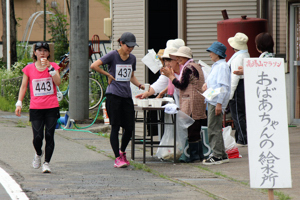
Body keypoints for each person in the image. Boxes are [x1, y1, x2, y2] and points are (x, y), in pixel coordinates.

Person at [90, 32, 144, 168]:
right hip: (113, 95)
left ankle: (122, 152)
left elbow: (131, 76)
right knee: (115, 126)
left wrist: (139, 85)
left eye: (132, 47)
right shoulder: (113, 55)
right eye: (128, 46)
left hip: (126, 96)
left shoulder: (132, 58)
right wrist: (108, 74)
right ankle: (117, 158)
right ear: (121, 43)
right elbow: (94, 65)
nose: (130, 49)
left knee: (130, 127)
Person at [15, 42, 61, 173]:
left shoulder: (53, 66)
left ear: (48, 53)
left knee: (49, 135)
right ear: (35, 53)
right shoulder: (29, 68)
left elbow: (58, 82)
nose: (42, 53)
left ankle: (46, 163)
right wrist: (19, 103)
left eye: (45, 50)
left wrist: (51, 69)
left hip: (51, 106)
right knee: (37, 137)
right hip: (36, 107)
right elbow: (23, 86)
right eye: (39, 50)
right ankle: (38, 153)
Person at [162, 46, 206, 162]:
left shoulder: (188, 68)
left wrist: (170, 76)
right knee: (196, 129)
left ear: (185, 57)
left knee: (192, 130)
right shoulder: (196, 66)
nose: (177, 59)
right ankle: (199, 156)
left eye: (179, 57)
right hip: (198, 101)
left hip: (191, 102)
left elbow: (181, 85)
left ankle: (194, 156)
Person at [202, 41, 231, 165]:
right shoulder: (218, 66)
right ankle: (221, 154)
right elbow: (217, 84)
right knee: (215, 127)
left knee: (213, 127)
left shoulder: (221, 67)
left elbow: (223, 86)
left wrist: (219, 103)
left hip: (215, 101)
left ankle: (217, 154)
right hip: (213, 100)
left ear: (217, 54)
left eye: (211, 52)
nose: (210, 55)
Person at [227, 32, 250, 146]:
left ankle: (242, 139)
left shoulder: (237, 57)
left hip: (237, 87)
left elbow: (234, 77)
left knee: (237, 114)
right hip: (244, 85)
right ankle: (240, 137)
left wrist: (230, 95)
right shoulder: (246, 54)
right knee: (241, 113)